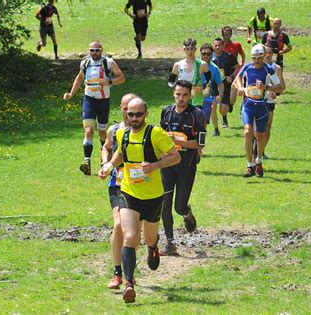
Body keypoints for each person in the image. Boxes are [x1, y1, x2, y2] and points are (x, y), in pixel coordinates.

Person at [99, 97, 181, 303]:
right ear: (126, 114)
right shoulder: (121, 133)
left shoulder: (156, 134)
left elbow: (175, 156)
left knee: (149, 238)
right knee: (129, 236)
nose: (134, 118)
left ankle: (152, 248)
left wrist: (155, 166)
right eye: (130, 114)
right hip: (128, 192)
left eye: (138, 114)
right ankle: (129, 284)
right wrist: (108, 166)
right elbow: (119, 153)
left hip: (152, 196)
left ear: (146, 114)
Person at [63, 40, 126, 175]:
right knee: (88, 131)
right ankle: (87, 164)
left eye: (97, 50)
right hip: (89, 100)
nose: (94, 53)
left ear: (102, 50)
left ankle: (106, 161)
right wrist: (71, 93)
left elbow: (122, 78)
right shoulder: (85, 63)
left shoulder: (108, 63)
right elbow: (79, 78)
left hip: (103, 101)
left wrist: (109, 81)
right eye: (92, 50)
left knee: (103, 133)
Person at [159, 80, 206, 256]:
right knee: (164, 204)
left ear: (191, 95)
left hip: (186, 165)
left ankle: (187, 213)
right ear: (174, 94)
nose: (181, 98)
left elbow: (201, 143)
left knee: (178, 207)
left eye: (185, 95)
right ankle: (170, 243)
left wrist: (180, 141)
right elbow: (160, 136)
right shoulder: (166, 112)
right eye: (178, 94)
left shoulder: (197, 114)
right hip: (167, 164)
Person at [101, 93, 137, 290]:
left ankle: (130, 269)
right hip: (117, 182)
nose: (128, 113)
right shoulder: (114, 130)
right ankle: (117, 272)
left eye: (132, 110)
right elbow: (106, 148)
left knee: (133, 232)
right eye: (125, 108)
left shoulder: (146, 132)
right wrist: (106, 163)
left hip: (140, 185)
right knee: (118, 225)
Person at [235, 45, 282, 178]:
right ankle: (249, 165)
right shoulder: (248, 67)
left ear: (263, 57)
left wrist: (266, 87)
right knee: (248, 132)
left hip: (262, 106)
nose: (256, 61)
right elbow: (238, 77)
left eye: (259, 58)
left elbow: (280, 87)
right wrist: (240, 88)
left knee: (260, 136)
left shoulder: (268, 69)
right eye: (254, 58)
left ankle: (259, 161)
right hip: (249, 105)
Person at [168, 38, 211, 108]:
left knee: (195, 118)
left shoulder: (202, 64)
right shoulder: (178, 65)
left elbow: (209, 80)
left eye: (192, 49)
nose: (190, 51)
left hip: (196, 99)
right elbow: (170, 82)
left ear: (195, 49)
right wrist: (178, 89)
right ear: (184, 49)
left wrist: (202, 88)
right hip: (182, 99)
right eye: (188, 49)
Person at [262, 45, 285, 158]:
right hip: (256, 100)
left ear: (273, 55)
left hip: (269, 101)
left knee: (267, 127)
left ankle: (261, 151)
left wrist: (275, 93)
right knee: (255, 128)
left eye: (269, 53)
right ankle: (254, 148)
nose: (267, 55)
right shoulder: (255, 66)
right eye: (265, 53)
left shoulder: (277, 68)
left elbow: (282, 86)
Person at [212, 38, 239, 130]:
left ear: (223, 46)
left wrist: (231, 77)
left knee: (223, 106)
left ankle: (224, 119)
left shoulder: (229, 56)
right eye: (215, 45)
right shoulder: (209, 56)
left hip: (225, 83)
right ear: (213, 46)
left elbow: (237, 67)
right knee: (213, 104)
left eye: (219, 45)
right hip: (213, 83)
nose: (217, 47)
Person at [199, 43, 224, 132]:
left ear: (212, 54)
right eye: (203, 54)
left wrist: (220, 95)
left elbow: (220, 84)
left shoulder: (214, 68)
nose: (206, 56)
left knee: (203, 124)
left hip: (207, 99)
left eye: (208, 54)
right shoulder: (195, 64)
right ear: (200, 54)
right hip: (194, 98)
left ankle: (199, 144)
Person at [222, 26, 245, 113]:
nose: (227, 36)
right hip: (223, 72)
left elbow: (242, 54)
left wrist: (241, 63)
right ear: (222, 34)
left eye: (228, 34)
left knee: (234, 89)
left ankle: (230, 104)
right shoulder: (219, 45)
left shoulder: (236, 45)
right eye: (225, 34)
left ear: (231, 34)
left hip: (234, 71)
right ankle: (227, 104)